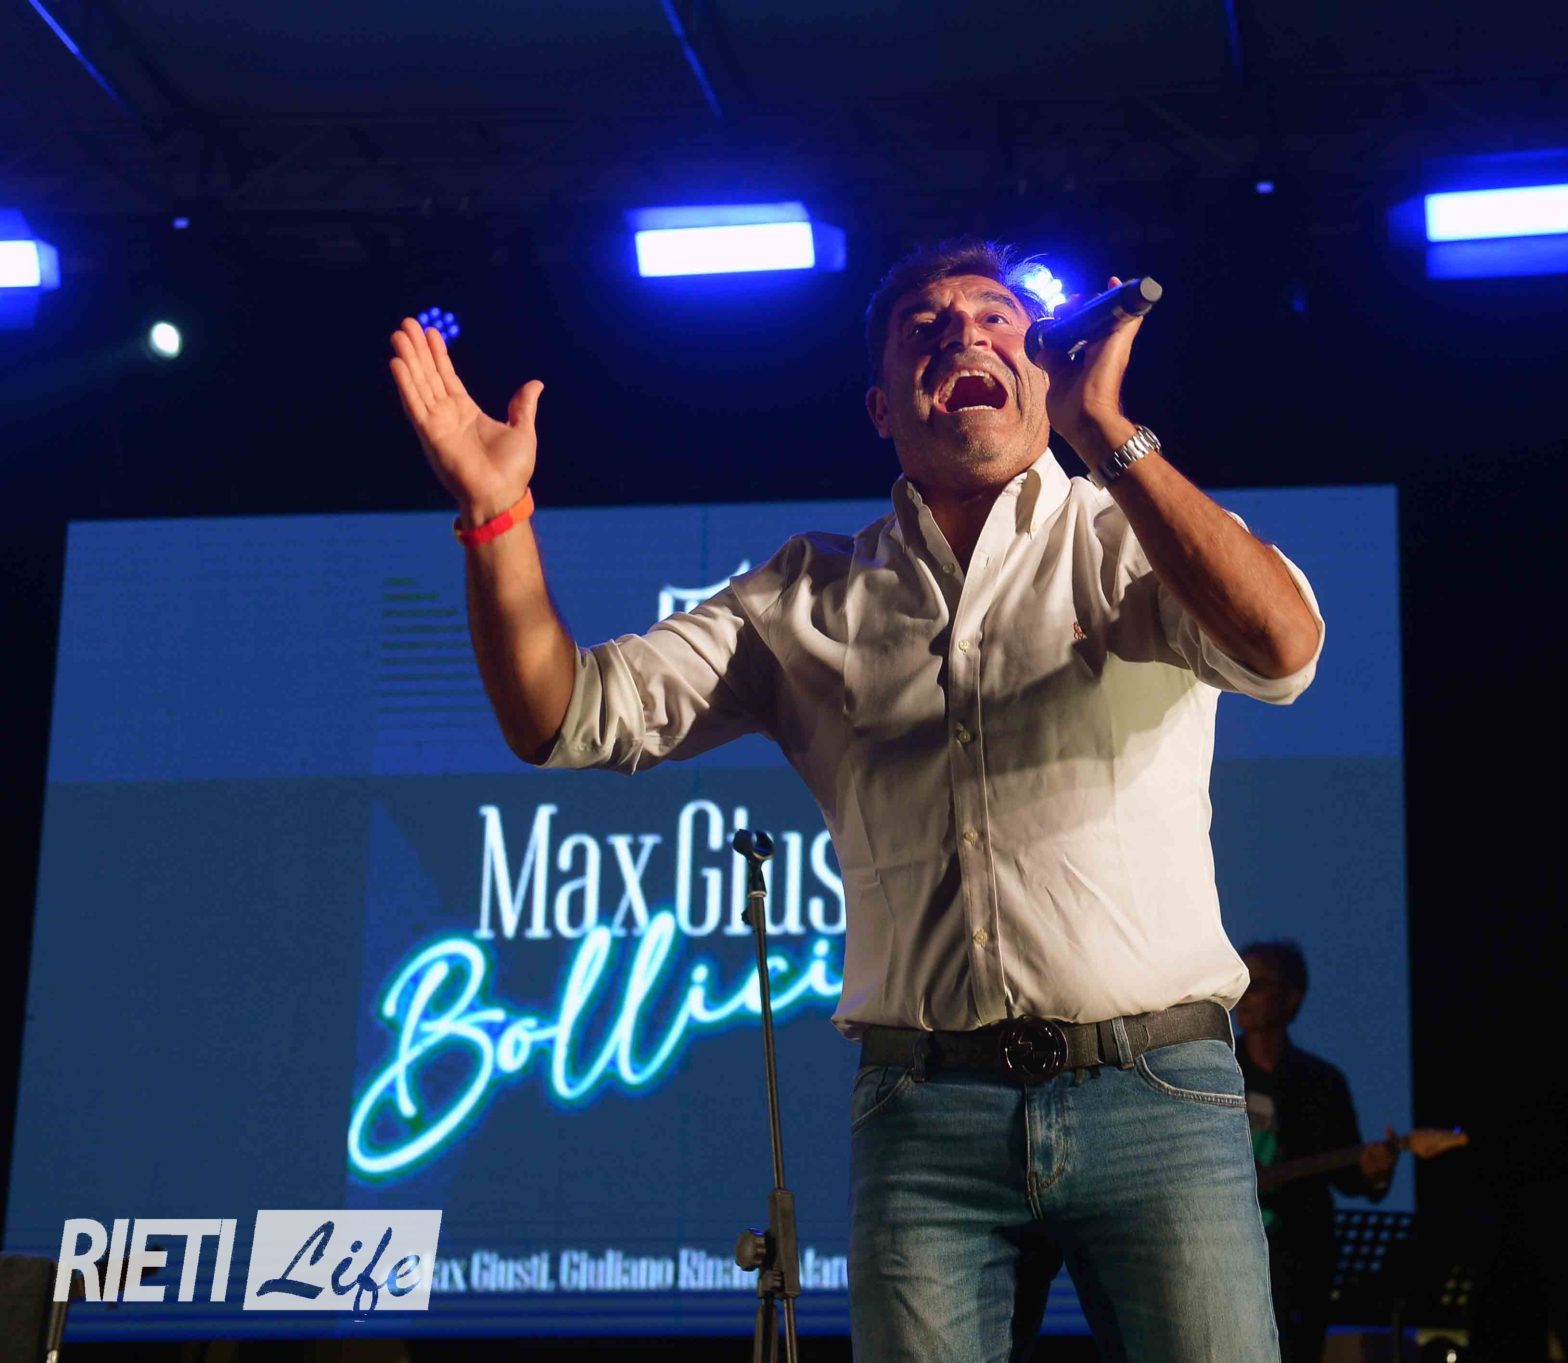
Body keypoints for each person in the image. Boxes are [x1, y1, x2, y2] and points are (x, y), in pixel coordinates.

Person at [386, 237, 1325, 1362]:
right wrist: (497, 516)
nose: (963, 331)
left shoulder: (1132, 538)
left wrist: (1105, 430)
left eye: (995, 316)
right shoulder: (807, 595)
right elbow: (563, 715)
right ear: (883, 405)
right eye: (924, 325)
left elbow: (1282, 650)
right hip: (927, 1115)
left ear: (1044, 368)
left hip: (1156, 1091)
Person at [1236, 939, 1397, 1363]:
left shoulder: (1321, 1083)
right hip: (1226, 1254)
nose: (1243, 995)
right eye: (1239, 982)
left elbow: (1348, 1176)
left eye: (1257, 985)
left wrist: (1375, 1171)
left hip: (1299, 1264)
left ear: (1291, 997)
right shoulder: (1216, 1071)